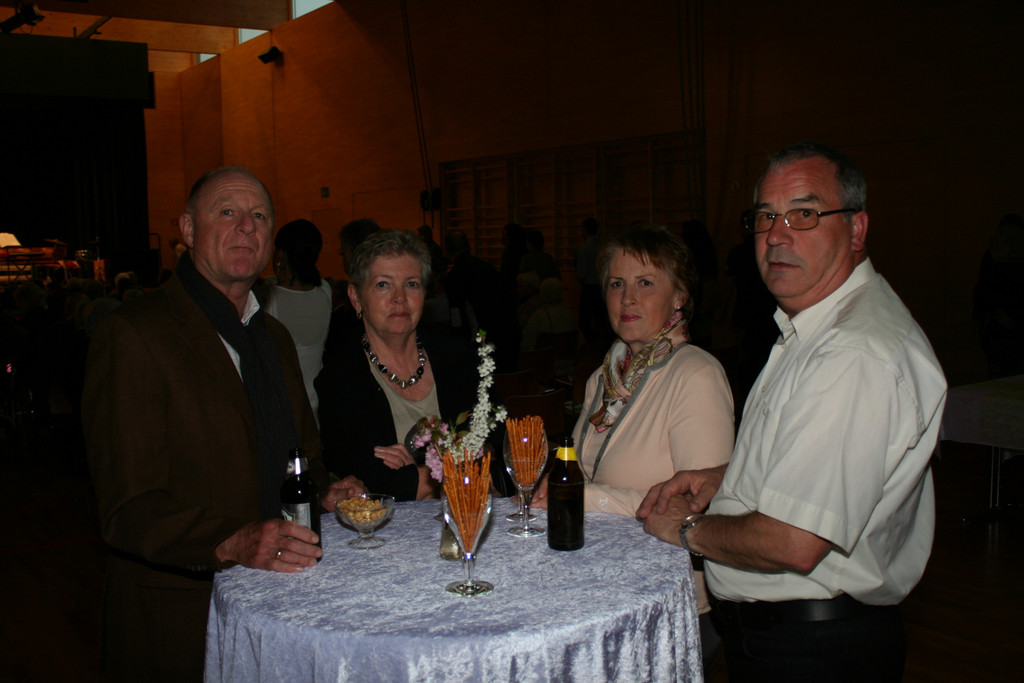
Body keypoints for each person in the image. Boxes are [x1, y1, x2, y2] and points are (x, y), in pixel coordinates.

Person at [638, 141, 947, 682]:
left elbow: (794, 540)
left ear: (856, 228)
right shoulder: (818, 327)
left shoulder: (851, 354)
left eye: (804, 214)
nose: (777, 235)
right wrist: (728, 477)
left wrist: (687, 529)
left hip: (812, 648)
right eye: (765, 216)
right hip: (805, 637)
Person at [82, 167, 365, 682]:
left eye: (259, 216)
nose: (247, 226)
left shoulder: (272, 337)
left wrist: (326, 489)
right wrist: (231, 540)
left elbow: (302, 454)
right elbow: (128, 507)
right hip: (183, 613)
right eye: (227, 212)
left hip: (280, 600)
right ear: (188, 230)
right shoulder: (134, 335)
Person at [533, 225, 735, 659]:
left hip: (671, 601)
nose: (627, 298)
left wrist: (580, 497)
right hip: (604, 583)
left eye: (645, 283)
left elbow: (698, 507)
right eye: (616, 284)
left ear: (679, 296)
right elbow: (582, 470)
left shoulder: (695, 375)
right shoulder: (604, 377)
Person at [316, 229, 511, 502]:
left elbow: (502, 452)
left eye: (411, 284)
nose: (399, 297)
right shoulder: (340, 380)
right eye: (383, 285)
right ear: (356, 297)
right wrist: (455, 467)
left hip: (475, 516)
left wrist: (420, 474)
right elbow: (371, 485)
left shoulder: (461, 360)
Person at [264, 219, 333, 424]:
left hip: (283, 404)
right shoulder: (325, 291)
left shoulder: (270, 299)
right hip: (317, 401)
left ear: (281, 254)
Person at [444, 229, 521, 372]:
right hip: (508, 330)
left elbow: (457, 316)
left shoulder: (455, 276)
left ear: (447, 250)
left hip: (484, 334)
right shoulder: (486, 267)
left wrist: (457, 342)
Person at [972, 212, 1024, 378]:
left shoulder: (995, 256)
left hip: (1008, 328)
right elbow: (983, 290)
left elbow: (982, 290)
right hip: (999, 329)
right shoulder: (993, 256)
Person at [575, 216, 607, 343]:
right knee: (601, 320)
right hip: (603, 287)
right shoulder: (603, 248)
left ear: (584, 230)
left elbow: (581, 273)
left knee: (584, 321)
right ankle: (599, 345)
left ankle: (592, 343)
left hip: (589, 287)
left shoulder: (584, 250)